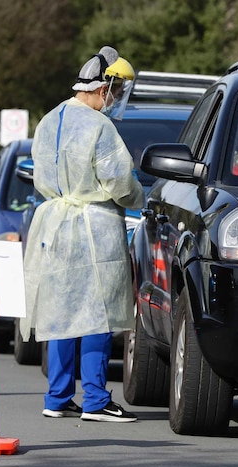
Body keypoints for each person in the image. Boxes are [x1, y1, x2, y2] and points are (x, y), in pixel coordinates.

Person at [22, 46, 143, 423]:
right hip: (95, 227)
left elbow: (41, 173)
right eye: (117, 89)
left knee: (61, 312)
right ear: (103, 86)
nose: (118, 97)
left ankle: (57, 397)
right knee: (97, 314)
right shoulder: (98, 126)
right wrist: (142, 198)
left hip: (54, 226)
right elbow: (120, 181)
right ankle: (95, 399)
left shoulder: (49, 120)